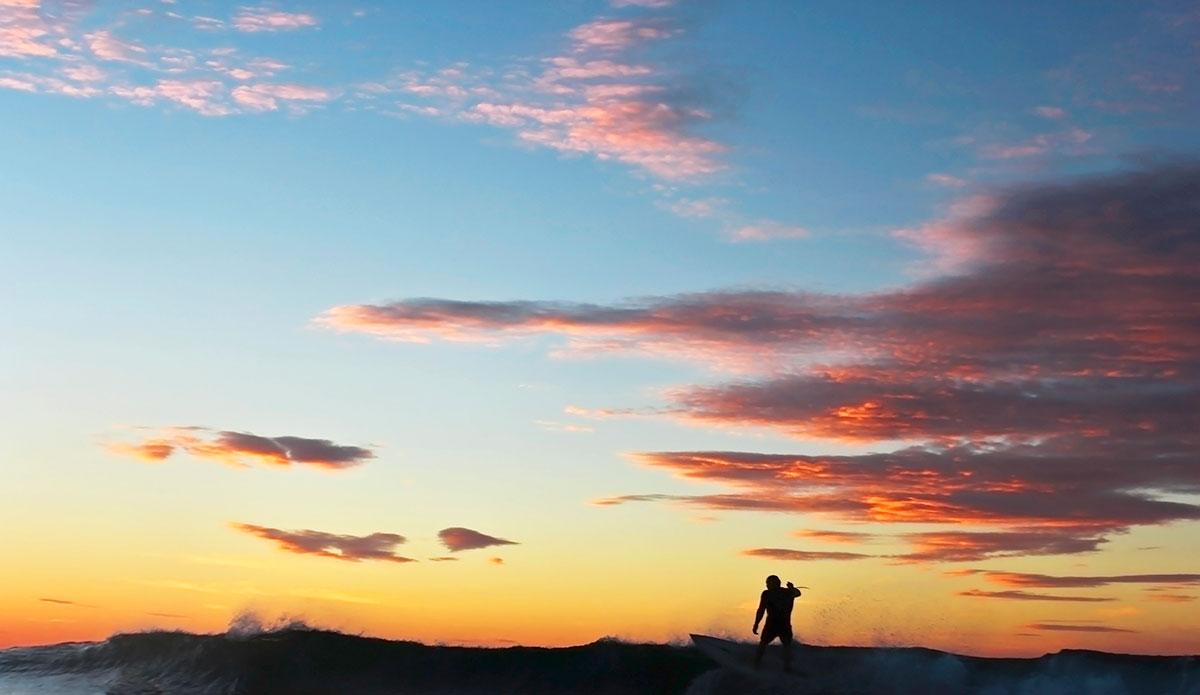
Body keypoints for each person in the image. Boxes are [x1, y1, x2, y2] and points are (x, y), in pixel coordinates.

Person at [752, 574, 802, 672]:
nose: (767, 585)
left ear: (775, 583)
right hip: (782, 624)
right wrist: (791, 588)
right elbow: (798, 593)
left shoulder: (768, 593)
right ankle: (786, 668)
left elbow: (761, 609)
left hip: (774, 624)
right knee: (785, 646)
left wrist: (756, 624)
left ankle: (757, 666)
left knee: (764, 645)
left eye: (768, 583)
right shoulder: (788, 592)